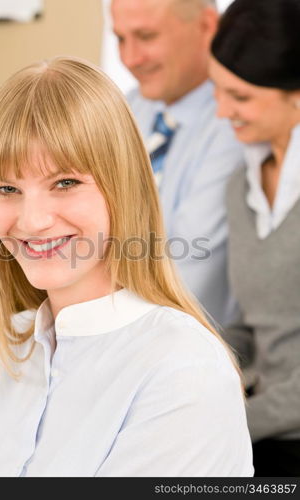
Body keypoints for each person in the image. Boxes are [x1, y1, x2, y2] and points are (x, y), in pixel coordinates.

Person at [0, 56, 253, 477]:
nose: (31, 220)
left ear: (124, 187)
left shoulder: (183, 371)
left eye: (65, 183)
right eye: (7, 189)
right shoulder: (9, 348)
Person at [110, 0, 244, 326]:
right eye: (120, 38)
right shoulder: (127, 109)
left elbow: (190, 273)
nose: (130, 59)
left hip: (183, 340)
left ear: (207, 26)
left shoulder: (236, 124)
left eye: (146, 36)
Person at [209, 0, 300, 478]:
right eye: (217, 91)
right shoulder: (241, 187)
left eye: (239, 97)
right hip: (260, 430)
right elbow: (254, 325)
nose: (222, 111)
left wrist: (222, 422)